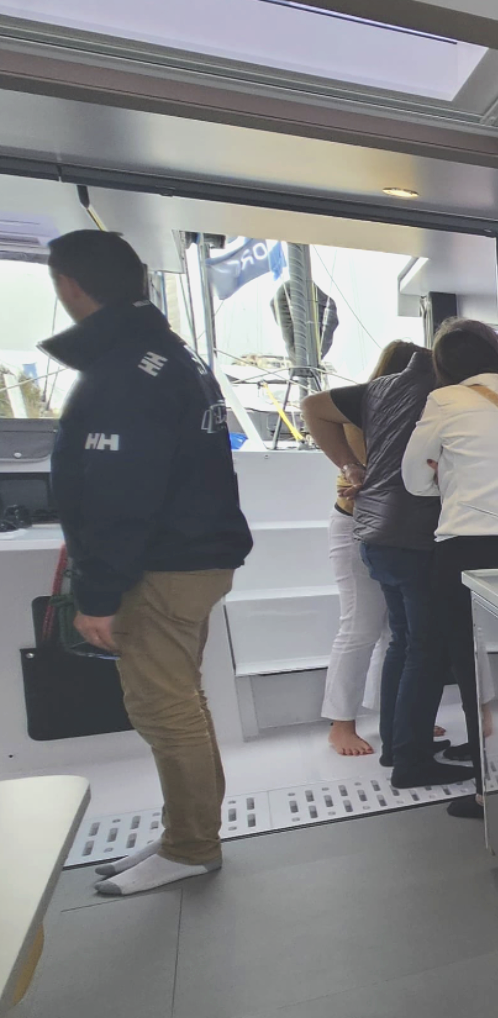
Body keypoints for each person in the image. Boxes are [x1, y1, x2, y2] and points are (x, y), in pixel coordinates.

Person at [42, 230, 253, 895]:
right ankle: (185, 833)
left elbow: (120, 490)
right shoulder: (168, 355)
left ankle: (191, 846)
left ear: (70, 286)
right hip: (190, 556)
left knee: (165, 709)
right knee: (182, 701)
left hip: (160, 565)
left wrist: (97, 593)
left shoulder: (126, 369)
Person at [404, 319, 498, 818]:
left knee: (469, 663)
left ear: (443, 365)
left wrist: (447, 478)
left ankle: (488, 790)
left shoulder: (444, 401)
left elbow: (413, 479)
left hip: (466, 546)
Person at [299, 342, 418, 757]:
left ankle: (394, 716)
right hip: (357, 525)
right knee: (361, 627)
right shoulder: (373, 407)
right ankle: (341, 725)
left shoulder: (363, 406)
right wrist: (352, 468)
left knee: (392, 632)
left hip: (375, 527)